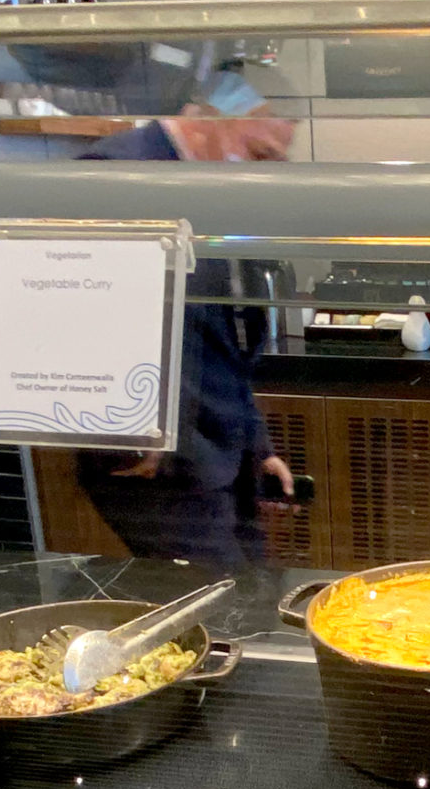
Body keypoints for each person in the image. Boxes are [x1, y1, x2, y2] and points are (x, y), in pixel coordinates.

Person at [72, 105, 298, 569]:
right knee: (221, 606)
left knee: (253, 594)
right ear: (210, 117)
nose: (260, 174)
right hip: (155, 464)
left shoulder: (209, 185)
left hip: (222, 456)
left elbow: (224, 334)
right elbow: (75, 322)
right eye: (257, 154)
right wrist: (125, 437)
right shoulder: (116, 177)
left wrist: (256, 445)